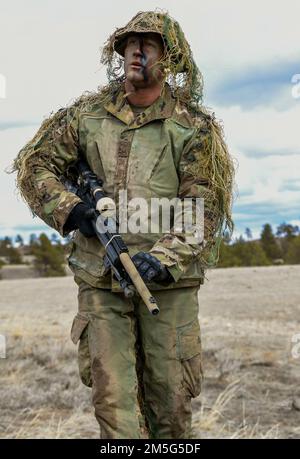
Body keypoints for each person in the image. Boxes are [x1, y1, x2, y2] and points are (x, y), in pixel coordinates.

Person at [12, 11, 234, 439]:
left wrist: (160, 259)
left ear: (169, 57)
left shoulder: (193, 128)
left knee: (170, 406)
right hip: (100, 282)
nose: (135, 51)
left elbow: (202, 205)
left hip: (168, 287)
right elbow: (36, 166)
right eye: (129, 44)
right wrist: (72, 210)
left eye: (147, 44)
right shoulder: (86, 116)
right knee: (115, 412)